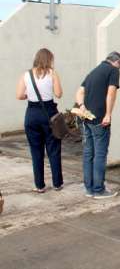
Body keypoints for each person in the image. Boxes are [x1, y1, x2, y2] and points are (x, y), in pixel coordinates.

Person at [75, 51, 120, 199]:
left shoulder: (93, 72)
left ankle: (89, 189)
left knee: (89, 153)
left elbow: (80, 91)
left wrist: (81, 106)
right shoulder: (113, 70)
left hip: (86, 118)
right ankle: (99, 190)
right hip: (100, 119)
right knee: (100, 154)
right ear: (117, 62)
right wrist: (108, 114)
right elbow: (111, 93)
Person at [16, 48, 64, 193]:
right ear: (49, 60)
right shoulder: (52, 74)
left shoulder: (26, 74)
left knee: (36, 151)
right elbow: (59, 94)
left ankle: (39, 185)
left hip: (31, 114)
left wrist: (29, 96)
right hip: (49, 113)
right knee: (53, 150)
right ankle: (57, 183)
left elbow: (19, 95)